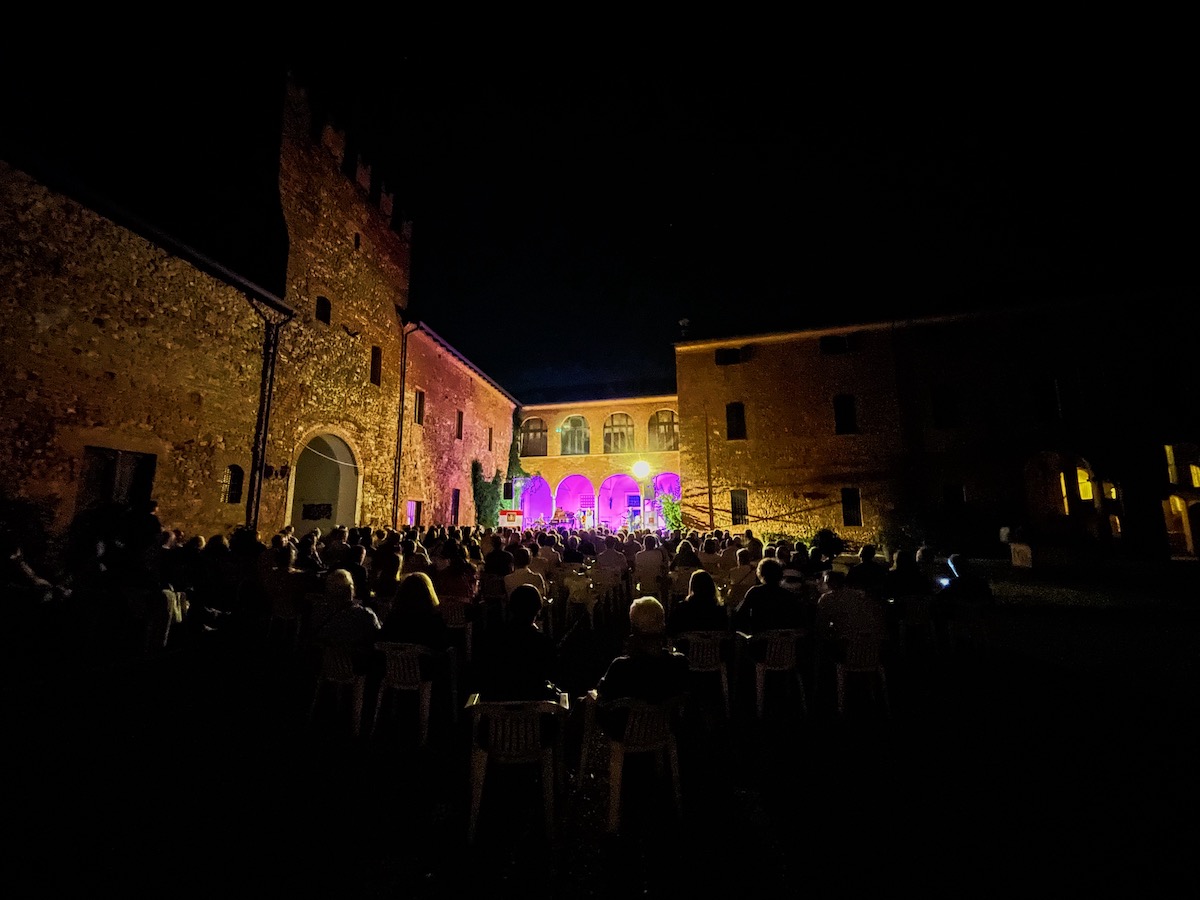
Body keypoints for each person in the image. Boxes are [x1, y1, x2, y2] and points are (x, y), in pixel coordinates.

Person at [594, 597, 689, 734]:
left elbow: (603, 697)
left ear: (634, 629)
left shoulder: (621, 668)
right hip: (664, 733)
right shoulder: (680, 664)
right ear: (662, 625)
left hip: (624, 736)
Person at [475, 584, 559, 701]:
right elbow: (551, 674)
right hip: (534, 707)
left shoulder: (493, 640)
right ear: (538, 609)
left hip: (498, 706)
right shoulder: (543, 643)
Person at [732, 557, 804, 635]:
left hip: (759, 639)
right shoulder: (787, 595)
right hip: (782, 640)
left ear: (761, 574)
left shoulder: (755, 592)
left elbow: (740, 614)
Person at [667, 569, 728, 636]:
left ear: (693, 587)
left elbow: (671, 631)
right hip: (714, 646)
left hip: (687, 645)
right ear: (711, 587)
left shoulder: (682, 609)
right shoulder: (720, 612)